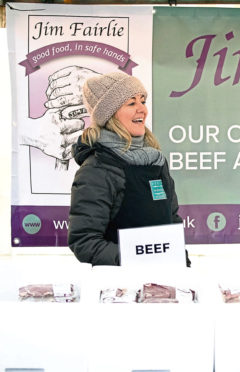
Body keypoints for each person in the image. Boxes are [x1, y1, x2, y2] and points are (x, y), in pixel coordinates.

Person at [68, 71, 189, 266]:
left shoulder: (155, 160)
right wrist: (139, 259)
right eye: (131, 103)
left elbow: (171, 219)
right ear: (110, 115)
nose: (142, 109)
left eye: (143, 101)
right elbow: (84, 242)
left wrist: (180, 259)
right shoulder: (97, 169)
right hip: (121, 289)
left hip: (162, 285)